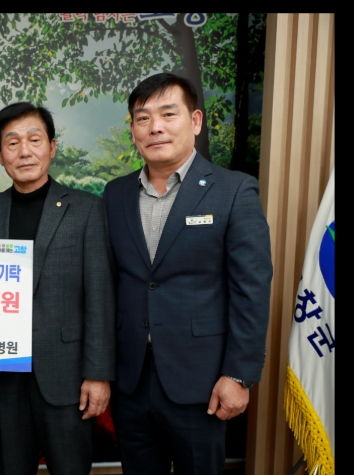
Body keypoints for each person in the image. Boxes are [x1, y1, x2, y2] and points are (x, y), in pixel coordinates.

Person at [103, 72, 273, 474]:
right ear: (133, 132)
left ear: (195, 121)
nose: (155, 127)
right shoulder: (115, 194)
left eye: (168, 114)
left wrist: (239, 376)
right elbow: (110, 282)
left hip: (203, 382)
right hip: (131, 380)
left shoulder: (234, 191)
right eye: (142, 118)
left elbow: (251, 290)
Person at [0, 102, 115, 474]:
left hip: (66, 377)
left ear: (51, 147)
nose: (24, 151)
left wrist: (98, 374)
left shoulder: (87, 209)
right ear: (0, 155)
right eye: (12, 143)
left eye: (34, 140)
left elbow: (100, 296)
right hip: (2, 380)